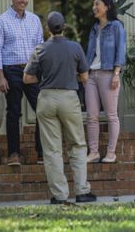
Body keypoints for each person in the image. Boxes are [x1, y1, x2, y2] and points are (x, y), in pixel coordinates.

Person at [23, 11, 97, 204]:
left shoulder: (40, 49)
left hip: (46, 99)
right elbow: (85, 77)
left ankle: (59, 195)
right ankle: (82, 192)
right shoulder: (74, 47)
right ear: (64, 27)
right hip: (69, 97)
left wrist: (47, 78)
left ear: (48, 29)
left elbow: (27, 78)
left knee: (52, 150)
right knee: (77, 145)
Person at [0, 0, 43, 166]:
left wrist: (39, 71)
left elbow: (40, 48)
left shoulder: (34, 20)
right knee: (13, 112)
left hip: (31, 69)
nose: (24, 1)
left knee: (42, 110)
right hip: (11, 69)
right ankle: (14, 153)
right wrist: (0, 76)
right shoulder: (2, 21)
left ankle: (42, 153)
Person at [85, 0, 126, 164]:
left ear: (107, 7)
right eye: (94, 5)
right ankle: (93, 152)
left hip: (109, 74)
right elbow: (89, 53)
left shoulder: (116, 26)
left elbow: (121, 50)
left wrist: (116, 73)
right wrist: (84, 72)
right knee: (91, 116)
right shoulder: (94, 28)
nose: (94, 7)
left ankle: (111, 152)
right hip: (92, 76)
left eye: (97, 4)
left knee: (111, 115)